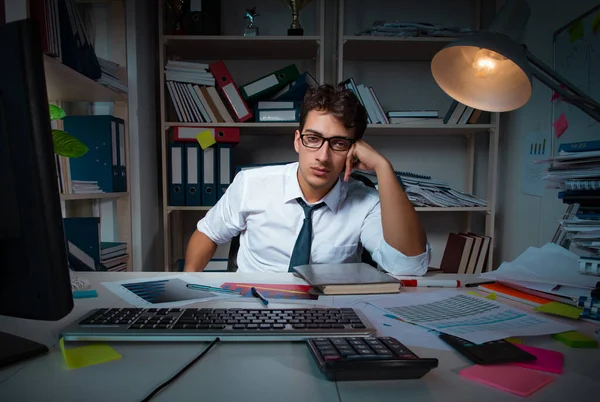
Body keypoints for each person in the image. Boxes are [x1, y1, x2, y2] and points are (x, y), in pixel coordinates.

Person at [183, 83, 430, 274]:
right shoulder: (250, 184)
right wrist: (189, 288)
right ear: (297, 140)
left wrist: (383, 167)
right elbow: (208, 234)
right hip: (254, 303)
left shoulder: (365, 202)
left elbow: (409, 267)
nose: (323, 156)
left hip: (330, 312)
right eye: (313, 139)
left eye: (338, 143)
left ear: (353, 151)